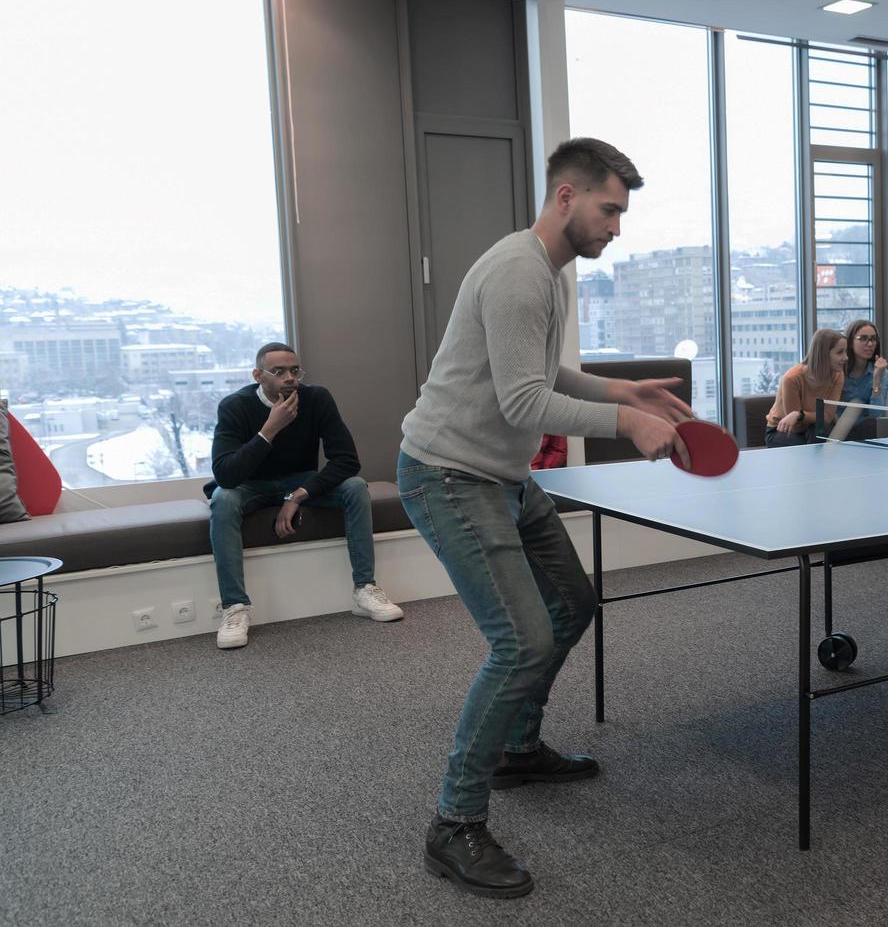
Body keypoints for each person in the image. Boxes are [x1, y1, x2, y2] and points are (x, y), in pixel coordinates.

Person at [398, 138, 691, 899]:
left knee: (572, 603)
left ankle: (517, 748)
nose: (617, 227)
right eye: (609, 209)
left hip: (501, 472)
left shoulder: (550, 272)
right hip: (448, 475)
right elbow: (522, 403)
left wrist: (619, 392)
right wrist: (626, 428)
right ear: (566, 197)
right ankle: (454, 822)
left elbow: (535, 371)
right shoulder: (518, 272)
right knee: (521, 639)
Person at [207, 343, 402, 650]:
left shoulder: (316, 398)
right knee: (223, 499)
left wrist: (296, 496)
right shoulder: (235, 406)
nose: (290, 378)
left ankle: (365, 589)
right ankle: (235, 608)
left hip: (299, 481)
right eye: (279, 371)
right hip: (251, 484)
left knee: (354, 487)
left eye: (294, 370)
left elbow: (347, 461)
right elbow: (226, 474)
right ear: (258, 375)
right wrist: (269, 430)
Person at [764, 328, 848, 448]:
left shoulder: (838, 375)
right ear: (823, 354)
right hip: (780, 430)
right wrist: (806, 416)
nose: (846, 358)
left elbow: (828, 416)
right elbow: (796, 427)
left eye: (845, 352)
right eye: (840, 352)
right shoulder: (791, 378)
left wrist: (799, 415)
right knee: (817, 441)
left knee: (820, 433)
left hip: (813, 427)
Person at [841, 319, 888, 421]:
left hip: (869, 431)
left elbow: (878, 416)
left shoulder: (882, 373)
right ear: (850, 342)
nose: (870, 344)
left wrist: (876, 380)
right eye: (863, 338)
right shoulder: (839, 370)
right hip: (839, 431)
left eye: (873, 339)